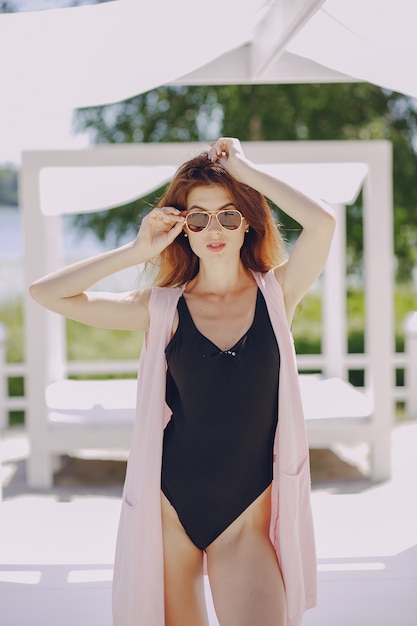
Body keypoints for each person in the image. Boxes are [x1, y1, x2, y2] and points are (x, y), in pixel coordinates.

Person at [30, 137, 335, 626]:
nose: (214, 229)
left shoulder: (278, 294)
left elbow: (323, 223)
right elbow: (46, 293)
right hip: (171, 512)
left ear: (247, 223)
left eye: (228, 215)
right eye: (198, 218)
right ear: (183, 230)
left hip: (245, 520)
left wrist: (245, 169)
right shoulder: (161, 309)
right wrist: (136, 251)